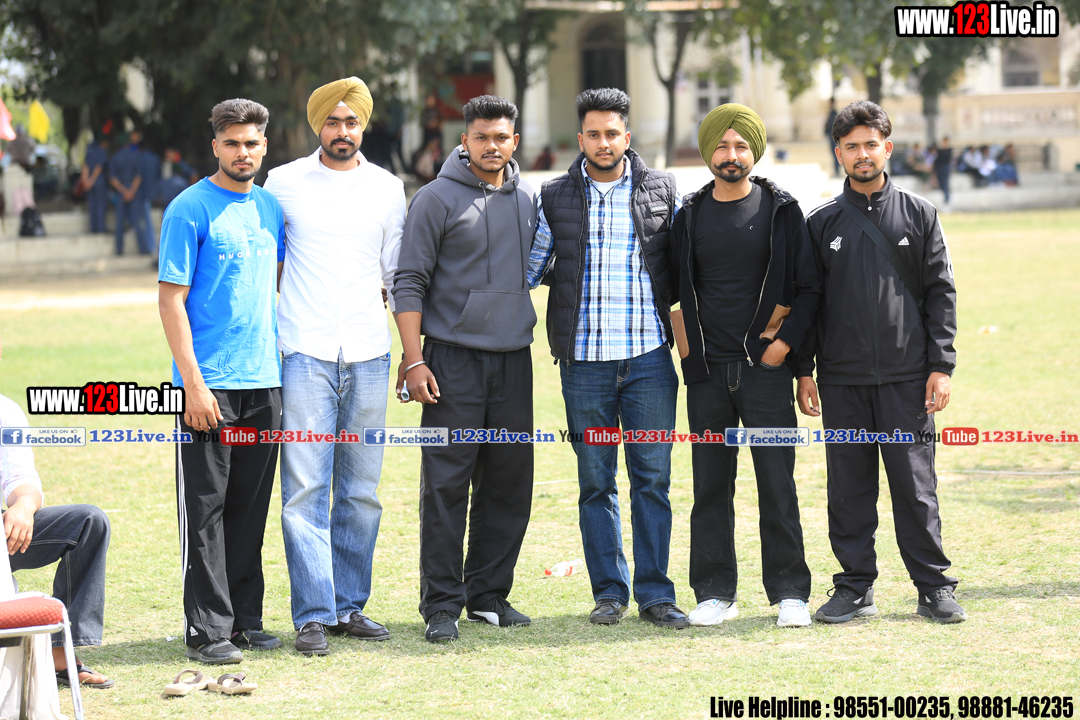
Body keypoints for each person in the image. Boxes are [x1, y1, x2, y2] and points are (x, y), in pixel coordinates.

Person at [798, 100, 963, 624]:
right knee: (848, 490)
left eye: (871, 144)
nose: (862, 154)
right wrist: (804, 370)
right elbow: (808, 302)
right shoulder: (821, 222)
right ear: (839, 153)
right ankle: (854, 587)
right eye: (851, 146)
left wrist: (941, 366)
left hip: (907, 380)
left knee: (915, 489)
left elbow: (941, 294)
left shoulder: (920, 214)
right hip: (841, 381)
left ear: (887, 148)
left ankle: (933, 587)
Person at [527, 88, 687, 629]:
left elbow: (686, 265)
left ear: (626, 136)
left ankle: (656, 594)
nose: (603, 143)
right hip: (585, 366)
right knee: (596, 482)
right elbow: (530, 268)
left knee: (652, 480)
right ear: (580, 139)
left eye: (612, 133)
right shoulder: (553, 196)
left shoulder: (662, 190)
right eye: (593, 134)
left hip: (649, 361)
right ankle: (609, 593)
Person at [265, 77, 405, 656]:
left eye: (351, 122)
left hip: (370, 354)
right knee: (304, 488)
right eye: (332, 121)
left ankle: (349, 607)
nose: (342, 131)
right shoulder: (283, 183)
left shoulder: (388, 188)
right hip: (304, 351)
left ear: (363, 126)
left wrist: (411, 352)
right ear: (317, 125)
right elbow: (270, 264)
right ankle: (313, 615)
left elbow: (396, 275)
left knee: (361, 491)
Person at [669, 103, 820, 628]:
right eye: (721, 145)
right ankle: (715, 593)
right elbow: (674, 292)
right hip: (708, 374)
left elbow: (808, 289)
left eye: (740, 146)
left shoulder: (782, 211)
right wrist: (688, 355)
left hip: (765, 372)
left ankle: (790, 594)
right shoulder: (688, 216)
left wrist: (789, 353)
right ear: (707, 151)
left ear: (754, 152)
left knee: (777, 483)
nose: (730, 155)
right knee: (710, 485)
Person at [393, 95, 537, 643]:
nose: (491, 146)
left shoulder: (528, 198)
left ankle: (488, 595)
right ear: (465, 140)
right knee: (446, 486)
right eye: (482, 137)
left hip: (513, 359)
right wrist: (414, 359)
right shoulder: (434, 199)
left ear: (514, 141)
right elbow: (409, 282)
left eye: (501, 137)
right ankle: (441, 604)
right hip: (451, 360)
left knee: (509, 482)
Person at [158, 98, 287, 664]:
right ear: (215, 145)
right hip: (207, 386)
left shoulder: (269, 208)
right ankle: (207, 629)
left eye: (251, 143)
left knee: (250, 507)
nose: (243, 152)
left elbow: (272, 283)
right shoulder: (188, 208)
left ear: (265, 146)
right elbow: (171, 301)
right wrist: (193, 384)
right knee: (205, 509)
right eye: (232, 143)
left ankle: (244, 620)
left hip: (265, 383)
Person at [0, 335, 113, 689]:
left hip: (3, 538)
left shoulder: (5, 411)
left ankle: (61, 652)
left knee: (88, 523)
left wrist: (24, 505)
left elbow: (21, 478)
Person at [109, 130, 150, 255]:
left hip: (121, 191)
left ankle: (119, 249)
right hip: (134, 192)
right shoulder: (136, 156)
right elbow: (138, 177)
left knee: (119, 221)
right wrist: (131, 191)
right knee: (137, 221)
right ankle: (143, 249)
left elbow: (113, 179)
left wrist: (123, 191)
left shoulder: (115, 158)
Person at [81, 134, 110, 233]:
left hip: (89, 182)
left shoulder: (89, 152)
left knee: (92, 206)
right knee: (100, 206)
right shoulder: (102, 152)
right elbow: (99, 167)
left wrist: (86, 182)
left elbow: (85, 167)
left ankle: (94, 229)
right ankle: (101, 229)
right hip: (98, 181)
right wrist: (92, 181)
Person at [933, 136, 952, 209]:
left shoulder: (948, 150)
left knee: (945, 185)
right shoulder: (940, 151)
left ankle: (947, 200)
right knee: (941, 185)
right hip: (939, 169)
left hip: (945, 169)